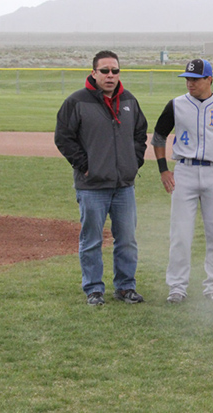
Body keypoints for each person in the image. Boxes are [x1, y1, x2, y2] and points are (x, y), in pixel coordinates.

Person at [54, 50, 148, 306]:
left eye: (114, 71)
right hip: (92, 186)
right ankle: (94, 289)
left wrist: (133, 162)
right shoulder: (77, 102)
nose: (110, 75)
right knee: (92, 240)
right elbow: (63, 137)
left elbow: (140, 134)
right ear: (94, 73)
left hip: (123, 186)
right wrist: (85, 166)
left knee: (127, 240)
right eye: (104, 71)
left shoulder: (129, 101)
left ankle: (126, 287)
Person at [152, 58, 213, 303]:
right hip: (185, 170)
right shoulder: (176, 105)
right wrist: (163, 169)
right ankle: (177, 287)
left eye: (195, 79)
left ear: (209, 79)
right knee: (180, 233)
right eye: (187, 79)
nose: (190, 83)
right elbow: (159, 136)